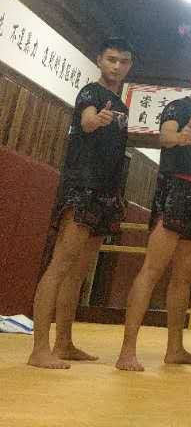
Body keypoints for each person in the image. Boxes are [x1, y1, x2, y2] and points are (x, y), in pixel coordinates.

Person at [28, 38, 134, 369]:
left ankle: (64, 343)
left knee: (79, 273)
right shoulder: (90, 92)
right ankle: (39, 349)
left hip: (106, 192)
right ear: (99, 60)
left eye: (123, 61)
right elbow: (87, 120)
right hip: (82, 188)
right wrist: (95, 120)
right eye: (111, 59)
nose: (117, 66)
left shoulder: (122, 106)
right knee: (60, 265)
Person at [115, 55, 191, 371]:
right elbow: (165, 136)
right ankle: (127, 351)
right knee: (152, 270)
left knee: (184, 278)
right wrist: (179, 138)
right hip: (175, 190)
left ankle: (175, 348)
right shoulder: (177, 107)